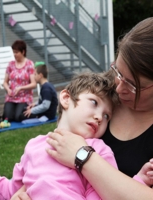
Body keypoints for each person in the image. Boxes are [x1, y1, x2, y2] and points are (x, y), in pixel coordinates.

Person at [0, 72, 148, 200]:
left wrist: (138, 181)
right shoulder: (34, 146)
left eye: (107, 115)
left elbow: (105, 192)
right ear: (66, 98)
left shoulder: (98, 151)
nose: (100, 117)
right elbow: (11, 191)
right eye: (94, 103)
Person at [42, 17, 153, 200]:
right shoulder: (103, 91)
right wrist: (28, 187)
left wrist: (83, 157)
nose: (118, 88)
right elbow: (58, 146)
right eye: (117, 72)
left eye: (133, 85)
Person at [3, 40, 37, 122]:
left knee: (18, 117)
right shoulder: (10, 64)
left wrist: (21, 88)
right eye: (13, 52)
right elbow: (5, 82)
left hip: (24, 97)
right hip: (12, 97)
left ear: (23, 52)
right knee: (7, 117)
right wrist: (8, 89)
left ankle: (36, 112)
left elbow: (34, 84)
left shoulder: (29, 64)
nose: (14, 54)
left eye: (16, 52)